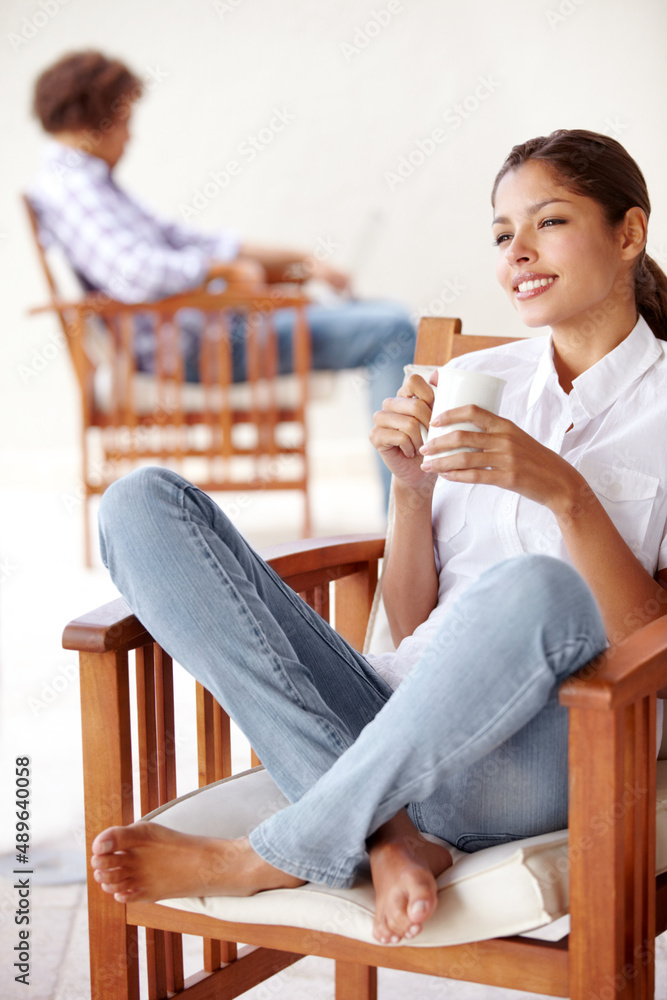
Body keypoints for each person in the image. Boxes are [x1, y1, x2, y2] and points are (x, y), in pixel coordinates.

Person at [89, 129, 667, 946]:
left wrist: (563, 492)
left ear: (629, 233)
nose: (518, 253)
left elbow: (650, 637)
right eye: (502, 235)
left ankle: (279, 851)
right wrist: (409, 491)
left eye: (548, 223)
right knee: (139, 503)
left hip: (544, 750)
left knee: (533, 587)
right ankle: (392, 838)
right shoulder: (474, 382)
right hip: (385, 717)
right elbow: (407, 618)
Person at [27, 50, 416, 503]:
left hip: (210, 331)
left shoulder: (88, 180)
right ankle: (403, 518)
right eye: (126, 118)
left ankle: (405, 510)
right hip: (199, 349)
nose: (131, 136)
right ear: (100, 116)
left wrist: (301, 262)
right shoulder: (72, 186)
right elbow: (135, 273)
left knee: (384, 315)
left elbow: (179, 237)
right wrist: (222, 271)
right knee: (391, 330)